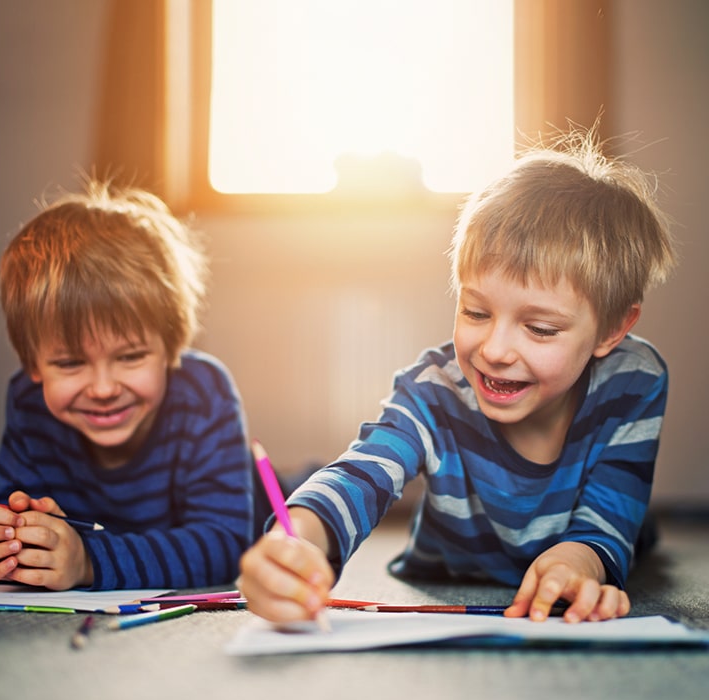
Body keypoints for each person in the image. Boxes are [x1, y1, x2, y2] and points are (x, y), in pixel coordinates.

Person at [239, 128, 676, 624]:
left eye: (539, 328)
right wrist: (294, 541)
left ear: (613, 329)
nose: (493, 350)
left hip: (595, 535)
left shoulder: (634, 380)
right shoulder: (433, 389)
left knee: (636, 527)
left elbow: (607, 517)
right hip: (448, 569)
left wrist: (581, 560)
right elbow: (362, 473)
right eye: (475, 312)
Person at [0, 180, 253, 590]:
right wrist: (18, 546)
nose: (103, 388)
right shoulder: (27, 402)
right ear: (33, 364)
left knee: (299, 489)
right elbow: (23, 541)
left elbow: (225, 545)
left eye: (131, 357)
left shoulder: (204, 390)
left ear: (172, 347)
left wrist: (90, 562)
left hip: (253, 495)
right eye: (70, 363)